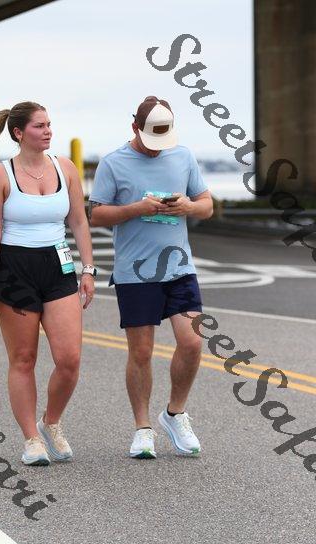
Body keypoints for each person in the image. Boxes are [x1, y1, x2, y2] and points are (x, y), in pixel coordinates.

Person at [0, 101, 97, 466]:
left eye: (49, 124)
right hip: (14, 270)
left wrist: (88, 270)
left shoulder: (65, 168)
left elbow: (79, 222)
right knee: (23, 359)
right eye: (40, 126)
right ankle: (31, 439)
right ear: (19, 133)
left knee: (69, 360)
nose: (48, 130)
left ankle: (50, 422)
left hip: (57, 267)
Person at [88, 95, 213, 459]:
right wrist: (136, 209)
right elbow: (96, 215)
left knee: (192, 343)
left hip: (179, 268)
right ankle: (143, 429)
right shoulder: (113, 162)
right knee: (141, 352)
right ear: (135, 127)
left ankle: (174, 414)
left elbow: (207, 205)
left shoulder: (183, 156)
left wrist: (189, 206)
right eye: (151, 139)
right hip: (135, 272)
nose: (158, 148)